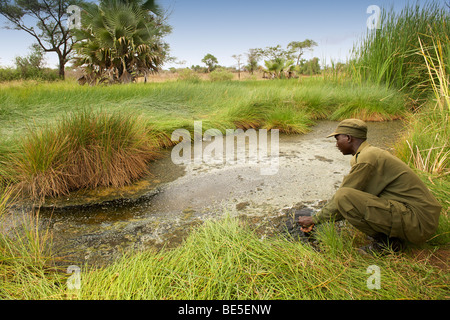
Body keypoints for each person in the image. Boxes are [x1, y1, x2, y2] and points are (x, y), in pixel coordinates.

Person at [298, 119, 442, 255]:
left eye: (337, 139)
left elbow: (342, 199)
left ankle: (388, 244)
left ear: (348, 138)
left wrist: (314, 219)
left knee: (344, 197)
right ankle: (391, 240)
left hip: (419, 221)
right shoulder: (368, 154)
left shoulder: (367, 158)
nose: (336, 144)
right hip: (420, 218)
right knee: (348, 197)